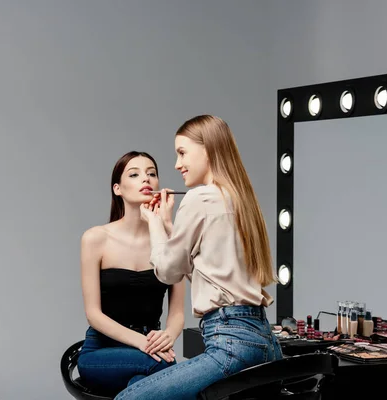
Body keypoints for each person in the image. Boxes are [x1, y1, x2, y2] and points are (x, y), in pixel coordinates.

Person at [114, 115, 283, 400]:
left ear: (208, 149)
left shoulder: (199, 197)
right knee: (136, 388)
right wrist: (169, 225)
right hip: (264, 340)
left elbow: (168, 272)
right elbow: (204, 269)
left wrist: (154, 224)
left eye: (182, 153)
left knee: (128, 398)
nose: (178, 164)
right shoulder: (239, 199)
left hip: (230, 341)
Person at [77, 151, 186, 396]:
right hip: (101, 353)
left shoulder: (168, 239)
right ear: (118, 188)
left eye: (152, 174)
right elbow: (93, 314)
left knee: (142, 387)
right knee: (166, 369)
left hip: (150, 350)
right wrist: (143, 344)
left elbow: (178, 312)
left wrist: (167, 336)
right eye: (134, 174)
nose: (146, 179)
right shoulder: (96, 238)